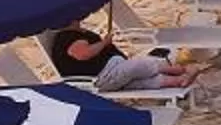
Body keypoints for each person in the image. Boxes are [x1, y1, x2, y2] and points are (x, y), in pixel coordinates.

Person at [48, 24, 194, 94]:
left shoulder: (77, 33)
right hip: (100, 78)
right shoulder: (66, 37)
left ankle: (179, 81)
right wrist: (104, 43)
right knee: (137, 66)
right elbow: (82, 54)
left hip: (112, 72)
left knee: (138, 82)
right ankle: (181, 70)